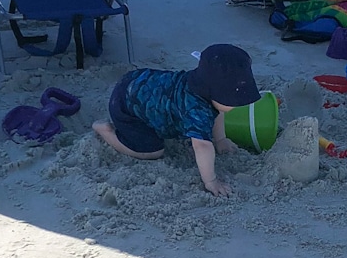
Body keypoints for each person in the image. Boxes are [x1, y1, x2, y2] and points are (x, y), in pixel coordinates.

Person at [92, 43, 260, 197]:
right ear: (213, 94)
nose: (237, 105)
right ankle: (106, 131)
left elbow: (218, 113)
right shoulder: (196, 110)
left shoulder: (200, 83)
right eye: (232, 100)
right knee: (152, 151)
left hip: (137, 81)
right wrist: (211, 181)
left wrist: (221, 140)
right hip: (127, 107)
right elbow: (202, 145)